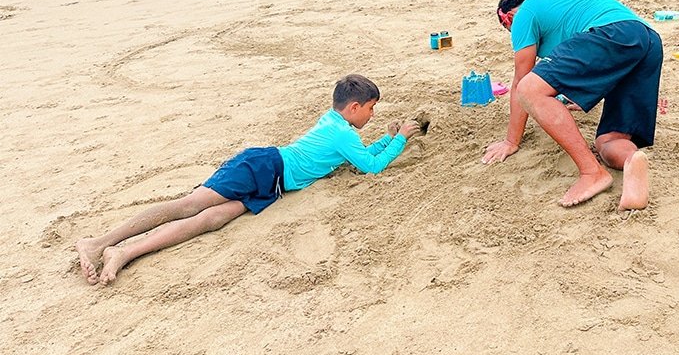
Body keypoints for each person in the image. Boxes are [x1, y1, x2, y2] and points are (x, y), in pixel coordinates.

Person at [76, 74, 427, 287]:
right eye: (371, 109)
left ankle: (124, 251)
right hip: (263, 166)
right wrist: (400, 139)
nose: (372, 114)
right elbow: (371, 167)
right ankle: (97, 243)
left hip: (272, 183)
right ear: (353, 109)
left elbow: (361, 155)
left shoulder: (339, 127)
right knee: (190, 205)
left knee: (212, 218)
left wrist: (387, 138)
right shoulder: (344, 135)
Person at [482, 0, 662, 210]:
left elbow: (521, 81)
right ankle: (631, 161)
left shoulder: (524, 14)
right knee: (609, 141)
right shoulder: (562, 5)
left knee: (530, 89)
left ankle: (591, 172)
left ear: (509, 17)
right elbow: (595, 61)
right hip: (648, 41)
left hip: (610, 33)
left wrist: (511, 141)